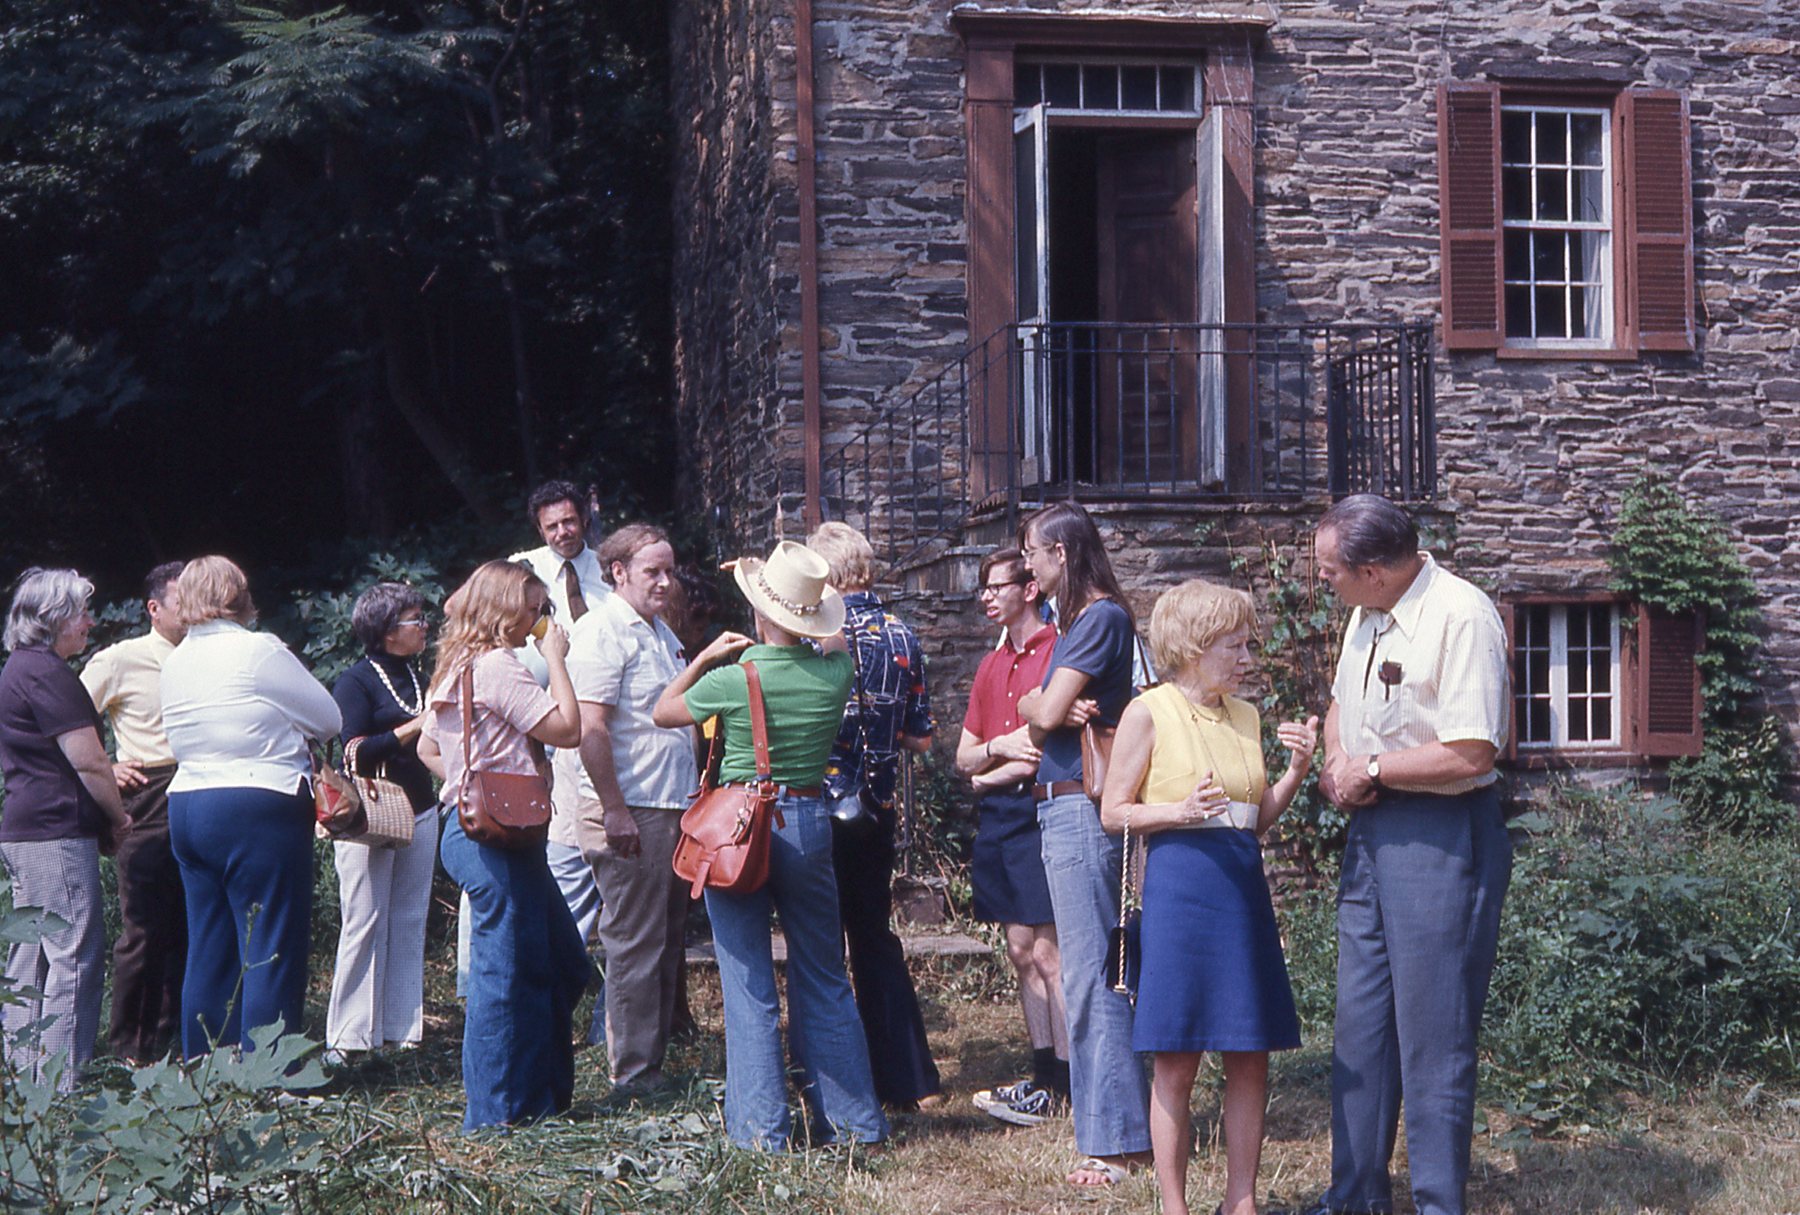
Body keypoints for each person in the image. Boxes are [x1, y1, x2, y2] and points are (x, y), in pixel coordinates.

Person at [1306, 494, 1512, 1215]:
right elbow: (1343, 702)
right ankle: (1354, 1197)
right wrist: (1336, 762)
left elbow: (1472, 750)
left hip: (1441, 832)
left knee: (1433, 1033)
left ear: (1373, 570)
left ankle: (1437, 1204)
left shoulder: (1462, 617)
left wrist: (1372, 768)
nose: (1321, 580)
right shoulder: (1367, 611)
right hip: (1372, 831)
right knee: (1361, 1025)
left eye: (1328, 570)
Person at [651, 540, 886, 1151]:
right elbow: (833, 636)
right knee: (825, 974)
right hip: (807, 823)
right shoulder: (835, 672)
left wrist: (705, 656)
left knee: (748, 984)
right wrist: (802, 592)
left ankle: (762, 1134)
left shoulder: (734, 677)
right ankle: (855, 1125)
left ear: (759, 613)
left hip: (737, 829)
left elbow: (663, 712)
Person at [1100, 579, 1318, 1215]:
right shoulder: (1149, 711)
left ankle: (1239, 1202)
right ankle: (1174, 1206)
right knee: (1177, 1057)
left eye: (1248, 645)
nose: (1247, 658)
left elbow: (1255, 819)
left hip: (1241, 893)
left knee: (1250, 1053)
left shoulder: (1245, 716)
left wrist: (1296, 771)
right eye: (1235, 646)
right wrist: (1178, 810)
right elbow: (1114, 812)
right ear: (1195, 648)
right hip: (1180, 892)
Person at [417, 560, 588, 1132]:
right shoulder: (496, 665)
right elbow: (567, 729)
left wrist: (470, 780)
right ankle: (493, 1119)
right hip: (492, 839)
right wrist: (556, 658)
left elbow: (426, 749)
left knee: (563, 961)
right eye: (531, 609)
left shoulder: (455, 665)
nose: (539, 619)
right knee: (503, 976)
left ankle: (540, 1097)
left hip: (490, 833)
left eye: (542, 610)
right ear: (501, 610)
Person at [1015, 501, 1152, 1186]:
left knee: (1093, 972)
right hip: (1066, 808)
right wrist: (1042, 707)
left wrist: (1045, 708)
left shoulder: (1098, 620)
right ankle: (1118, 1128)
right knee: (1089, 967)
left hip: (1079, 809)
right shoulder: (1081, 623)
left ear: (1061, 553)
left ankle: (1116, 1143)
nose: (1028, 568)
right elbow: (1031, 707)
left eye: (1033, 554)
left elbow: (1039, 711)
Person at [159, 556, 342, 1058]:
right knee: (271, 944)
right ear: (238, 595)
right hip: (256, 803)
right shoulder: (258, 650)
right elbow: (329, 718)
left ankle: (205, 1067)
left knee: (209, 944)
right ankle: (271, 1074)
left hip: (188, 803)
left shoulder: (175, 660)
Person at [551, 523, 696, 1090]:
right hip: (631, 807)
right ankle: (633, 1076)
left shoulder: (659, 631)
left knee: (665, 939)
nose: (665, 582)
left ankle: (651, 1060)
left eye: (669, 571)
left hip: (668, 806)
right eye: (652, 572)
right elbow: (590, 728)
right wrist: (613, 810)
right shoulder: (602, 631)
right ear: (618, 572)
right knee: (635, 942)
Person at [805, 521, 941, 1110]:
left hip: (817, 806)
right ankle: (906, 1079)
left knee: (819, 945)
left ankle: (833, 1080)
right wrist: (878, 735)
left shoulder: (814, 634)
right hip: (876, 809)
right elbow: (921, 738)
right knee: (874, 938)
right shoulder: (903, 633)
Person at [0, 568, 130, 1089]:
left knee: (31, 952)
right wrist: (118, 817)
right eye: (81, 613)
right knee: (73, 953)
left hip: (24, 828)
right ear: (52, 619)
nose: (90, 623)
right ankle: (61, 1085)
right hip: (56, 831)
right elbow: (91, 763)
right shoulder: (48, 674)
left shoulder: (17, 668)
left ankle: (20, 1078)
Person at [956, 547, 1068, 1124]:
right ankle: (1043, 1075)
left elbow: (1038, 756)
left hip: (1036, 811)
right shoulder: (990, 664)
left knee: (1049, 953)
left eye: (996, 586)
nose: (986, 597)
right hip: (998, 818)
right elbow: (964, 756)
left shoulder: (1056, 652)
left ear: (1029, 589)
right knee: (1020, 951)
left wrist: (986, 772)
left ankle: (1067, 1084)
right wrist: (996, 751)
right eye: (983, 588)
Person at [506, 479, 610, 1032]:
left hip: (600, 714)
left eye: (570, 522)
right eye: (552, 526)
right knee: (560, 857)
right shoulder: (520, 571)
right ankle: (550, 990)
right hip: (540, 721)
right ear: (538, 529)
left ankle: (598, 1003)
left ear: (584, 518)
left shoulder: (609, 569)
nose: (563, 533)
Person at [324, 582, 440, 1061]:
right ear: (388, 632)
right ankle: (349, 1041)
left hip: (421, 810)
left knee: (410, 919)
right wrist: (417, 725)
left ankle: (400, 1034)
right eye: (416, 620)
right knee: (364, 920)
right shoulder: (355, 681)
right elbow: (353, 752)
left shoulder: (418, 676)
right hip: (369, 816)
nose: (425, 626)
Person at [80, 560, 187, 1064]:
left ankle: (178, 1037)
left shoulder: (213, 656)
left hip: (203, 787)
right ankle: (129, 1048)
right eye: (183, 601)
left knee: (192, 920)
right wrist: (107, 764)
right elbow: (65, 721)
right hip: (149, 793)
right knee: (144, 924)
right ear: (154, 608)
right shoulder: (121, 660)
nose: (195, 611)